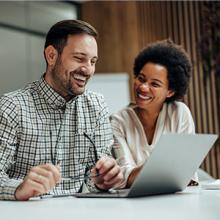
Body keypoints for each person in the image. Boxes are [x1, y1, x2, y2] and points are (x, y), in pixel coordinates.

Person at [0, 20, 123, 201]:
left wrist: (103, 180)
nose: (88, 69)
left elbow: (93, 179)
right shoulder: (12, 107)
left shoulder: (97, 106)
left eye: (93, 61)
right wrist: (18, 188)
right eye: (79, 58)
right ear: (51, 56)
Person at [110, 40, 198, 188]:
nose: (143, 87)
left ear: (170, 91)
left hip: (174, 200)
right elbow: (125, 178)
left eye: (155, 84)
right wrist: (165, 166)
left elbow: (186, 175)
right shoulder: (118, 121)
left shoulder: (179, 113)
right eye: (141, 78)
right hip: (134, 204)